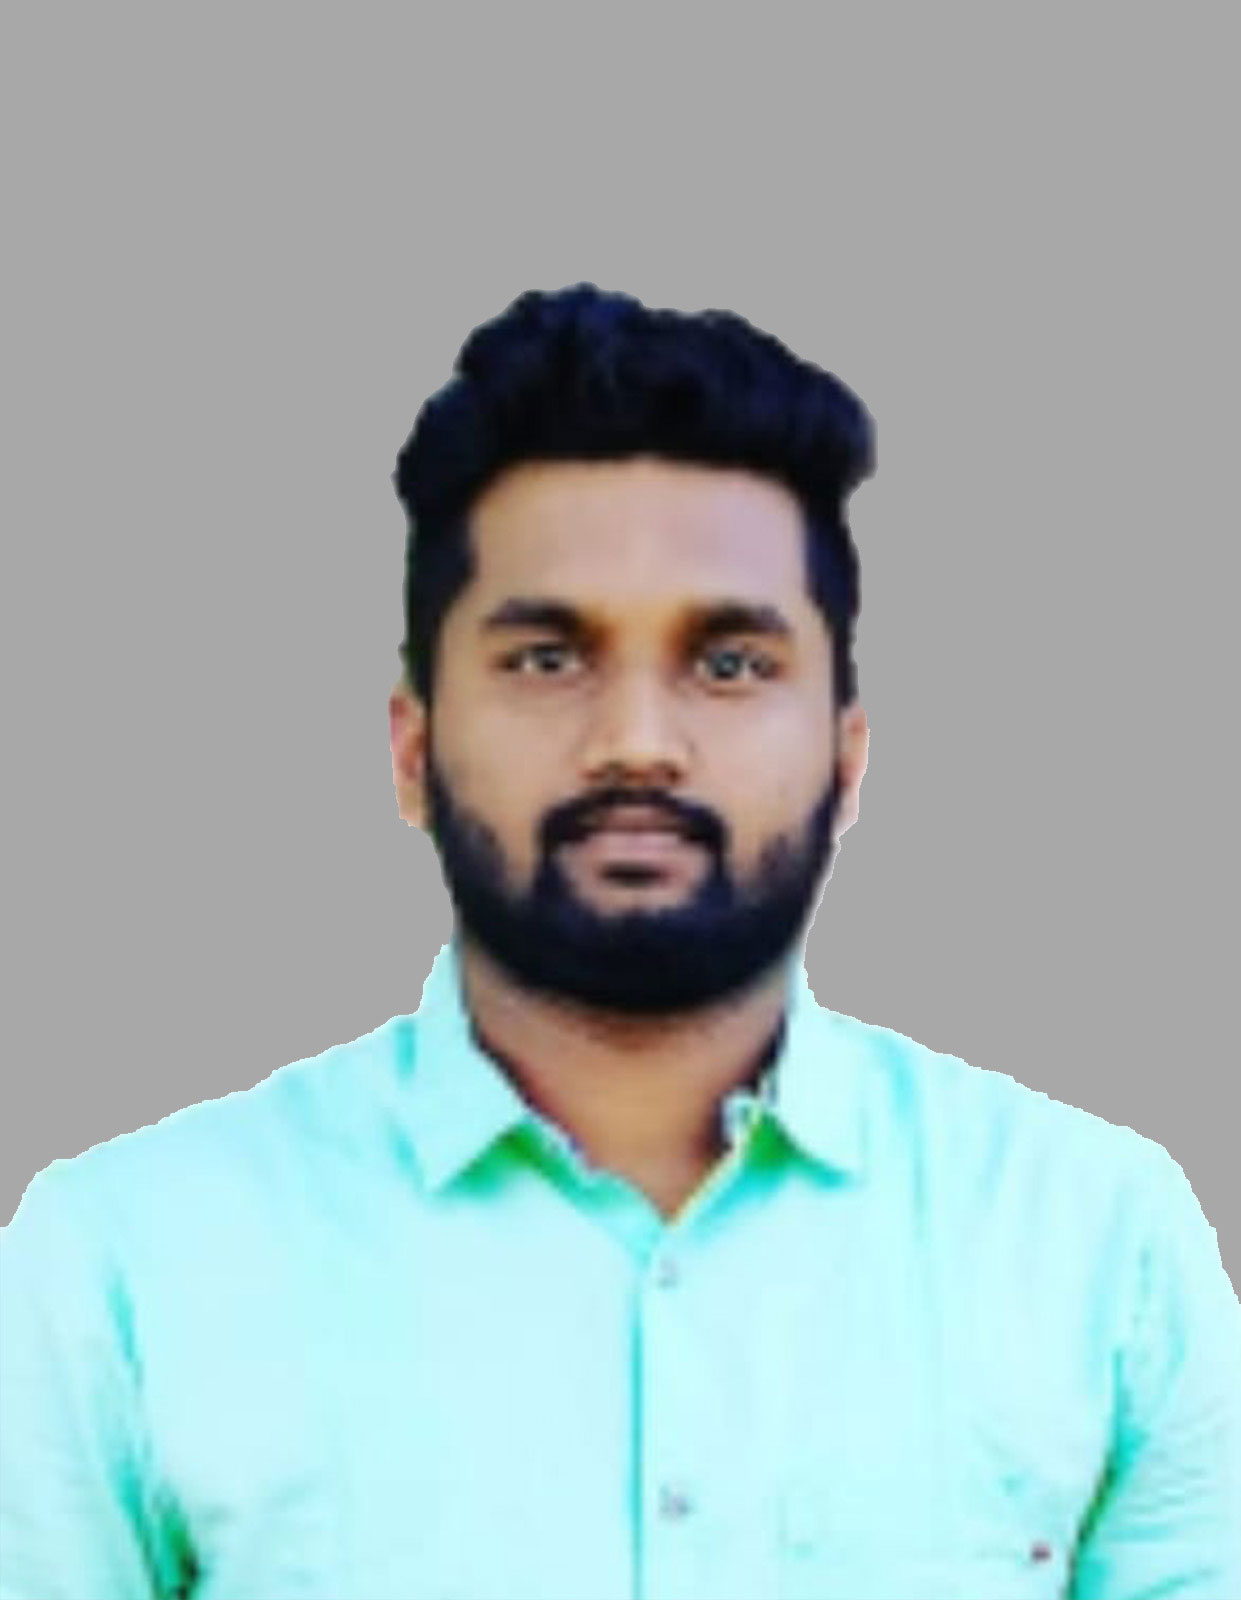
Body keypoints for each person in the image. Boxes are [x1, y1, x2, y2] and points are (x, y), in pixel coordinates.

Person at [2, 284, 1237, 1600]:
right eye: (547, 658)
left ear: (846, 755)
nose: (636, 742)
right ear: (413, 749)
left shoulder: (1095, 1246)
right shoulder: (125, 1262)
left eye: (730, 663)